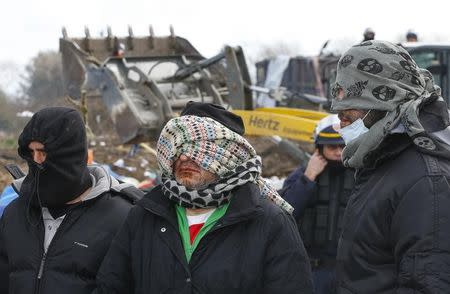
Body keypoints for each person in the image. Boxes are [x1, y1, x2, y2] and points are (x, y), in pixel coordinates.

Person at [94, 101, 313, 294]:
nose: (185, 157)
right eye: (178, 148)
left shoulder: (269, 222)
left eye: (198, 150)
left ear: (228, 157)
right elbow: (111, 286)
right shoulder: (146, 214)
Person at [331, 40, 450, 293]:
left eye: (346, 117)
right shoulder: (381, 161)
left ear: (381, 104)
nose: (340, 127)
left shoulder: (426, 180)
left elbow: (429, 284)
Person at [0, 107, 143, 294]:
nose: (36, 161)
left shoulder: (121, 218)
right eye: (31, 152)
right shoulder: (15, 214)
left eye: (43, 152)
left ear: (71, 155)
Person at [281, 114, 354, 294]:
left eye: (343, 146)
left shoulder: (363, 175)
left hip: (350, 273)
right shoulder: (302, 175)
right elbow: (284, 213)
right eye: (332, 146)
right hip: (311, 272)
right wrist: (308, 178)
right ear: (319, 148)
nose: (338, 151)